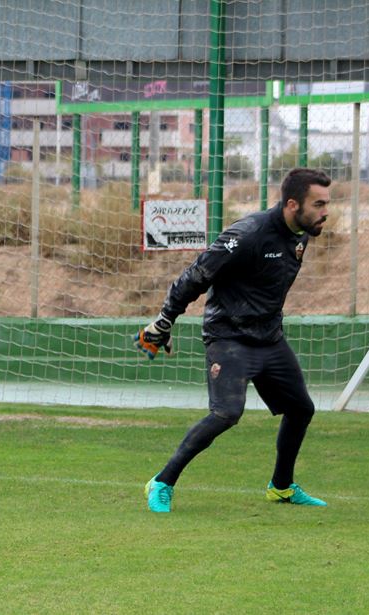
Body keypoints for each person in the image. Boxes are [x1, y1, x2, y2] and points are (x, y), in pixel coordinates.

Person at [135, 168, 331, 513]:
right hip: (228, 336)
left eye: (326, 204)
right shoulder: (247, 234)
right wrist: (165, 320)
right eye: (318, 204)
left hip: (269, 338)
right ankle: (162, 482)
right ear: (291, 204)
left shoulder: (301, 234)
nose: (325, 211)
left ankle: (281, 487)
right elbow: (197, 275)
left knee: (302, 409)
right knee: (226, 413)